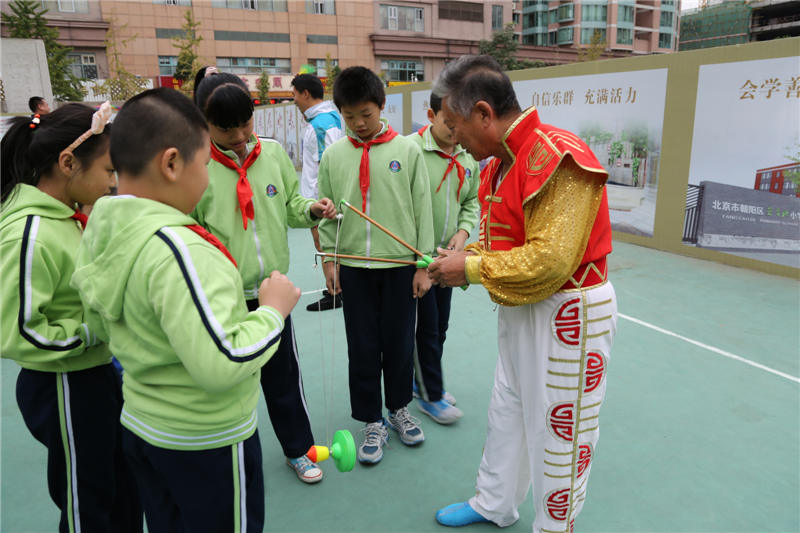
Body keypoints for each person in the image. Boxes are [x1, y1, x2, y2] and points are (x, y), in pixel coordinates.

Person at [71, 88, 300, 532]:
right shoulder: (183, 250)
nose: (209, 176)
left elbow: (100, 320)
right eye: (206, 165)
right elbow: (222, 361)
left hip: (143, 423)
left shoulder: (104, 226)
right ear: (172, 163)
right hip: (204, 437)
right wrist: (272, 311)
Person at [427, 55, 618, 532]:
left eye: (455, 124)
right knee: (507, 411)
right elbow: (500, 243)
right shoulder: (497, 166)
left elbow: (549, 262)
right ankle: (494, 502)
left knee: (561, 432)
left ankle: (555, 527)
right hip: (522, 308)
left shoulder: (558, 154)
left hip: (569, 310)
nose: (453, 136)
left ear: (484, 114)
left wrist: (468, 266)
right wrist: (463, 252)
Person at [1, 103, 142, 532]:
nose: (113, 182)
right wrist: (93, 332)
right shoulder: (29, 232)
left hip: (94, 375)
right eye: (107, 170)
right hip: (63, 385)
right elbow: (18, 330)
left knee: (120, 482)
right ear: (67, 163)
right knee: (87, 498)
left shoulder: (69, 218)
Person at [192, 72, 336, 484]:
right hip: (221, 296)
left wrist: (311, 208)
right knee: (224, 380)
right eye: (225, 128)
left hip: (272, 293)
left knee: (283, 377)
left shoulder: (271, 155)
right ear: (205, 124)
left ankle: (298, 450)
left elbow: (291, 204)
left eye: (246, 124)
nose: (239, 136)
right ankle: (221, 455)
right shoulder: (196, 167)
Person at [317, 66, 434, 464]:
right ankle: (371, 420)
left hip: (400, 266)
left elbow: (423, 210)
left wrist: (423, 265)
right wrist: (330, 263)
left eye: (365, 114)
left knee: (399, 343)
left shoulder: (408, 150)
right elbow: (327, 213)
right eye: (349, 117)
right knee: (362, 346)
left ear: (382, 106)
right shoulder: (333, 155)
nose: (359, 124)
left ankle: (399, 408)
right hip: (353, 267)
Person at [407, 92, 480, 425]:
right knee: (426, 328)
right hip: (416, 258)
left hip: (448, 257)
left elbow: (471, 204)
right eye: (448, 123)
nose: (455, 132)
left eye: (460, 125)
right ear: (430, 115)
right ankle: (432, 396)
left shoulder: (468, 158)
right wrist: (418, 258)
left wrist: (463, 235)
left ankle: (421, 381)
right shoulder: (410, 152)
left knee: (440, 326)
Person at [291, 73, 344, 311]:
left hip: (320, 201)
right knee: (325, 246)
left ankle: (336, 293)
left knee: (325, 246)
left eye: (294, 94)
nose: (293, 100)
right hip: (318, 199)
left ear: (305, 93)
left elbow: (328, 165)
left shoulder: (322, 124)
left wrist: (323, 203)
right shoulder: (323, 119)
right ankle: (335, 288)